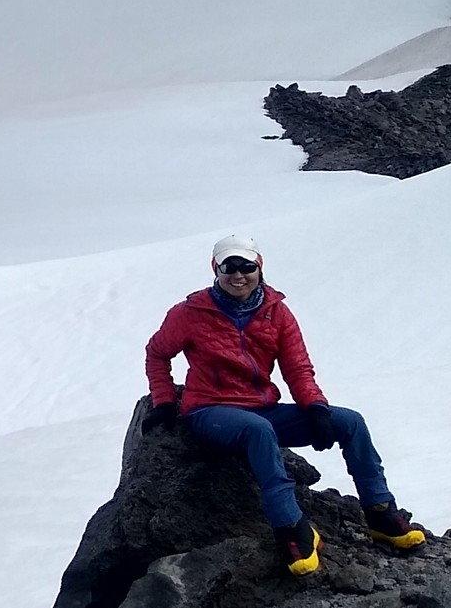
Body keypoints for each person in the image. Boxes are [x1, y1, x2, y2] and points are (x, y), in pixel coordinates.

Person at [143, 234, 425, 576]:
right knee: (258, 430)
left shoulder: (276, 312)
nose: (238, 275)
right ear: (215, 269)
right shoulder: (190, 313)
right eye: (229, 267)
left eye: (246, 266)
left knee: (350, 422)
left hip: (262, 408)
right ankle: (290, 527)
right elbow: (157, 353)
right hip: (209, 411)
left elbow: (298, 369)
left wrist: (316, 408)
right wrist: (163, 401)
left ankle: (380, 513)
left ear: (259, 267)